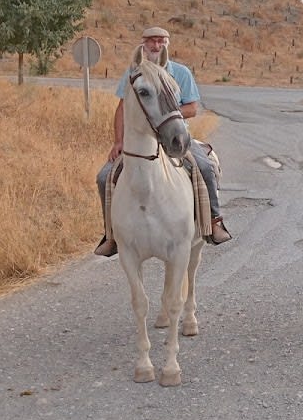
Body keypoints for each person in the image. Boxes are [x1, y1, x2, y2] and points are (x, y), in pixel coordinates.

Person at [94, 25, 231, 256]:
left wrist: (165, 114)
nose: (156, 46)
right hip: (139, 140)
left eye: (161, 41)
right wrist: (118, 141)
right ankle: (111, 234)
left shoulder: (180, 72)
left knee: (205, 167)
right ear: (143, 44)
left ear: (167, 44)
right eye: (151, 41)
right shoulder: (133, 73)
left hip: (174, 136)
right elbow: (122, 109)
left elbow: (192, 108)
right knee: (104, 176)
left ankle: (214, 222)